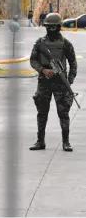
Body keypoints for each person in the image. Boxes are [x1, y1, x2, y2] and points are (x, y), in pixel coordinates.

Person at [29, 13, 78, 152]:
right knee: (42, 112)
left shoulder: (65, 43)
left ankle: (66, 142)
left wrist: (69, 80)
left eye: (53, 27)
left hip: (60, 84)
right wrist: (43, 70)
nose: (51, 30)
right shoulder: (40, 43)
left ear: (59, 27)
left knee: (63, 113)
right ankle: (40, 141)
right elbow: (33, 60)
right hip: (44, 82)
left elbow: (73, 62)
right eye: (48, 27)